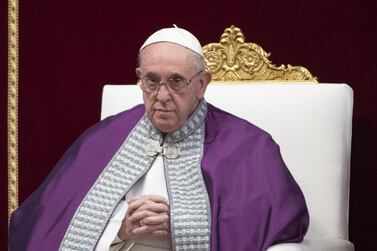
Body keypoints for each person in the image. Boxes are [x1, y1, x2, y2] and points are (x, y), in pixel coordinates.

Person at [9, 26, 309, 251]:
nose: (161, 96)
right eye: (151, 81)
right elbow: (40, 222)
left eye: (176, 81)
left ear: (202, 83)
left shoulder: (249, 146)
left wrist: (185, 227)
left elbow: (279, 225)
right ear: (139, 77)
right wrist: (119, 229)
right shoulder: (102, 138)